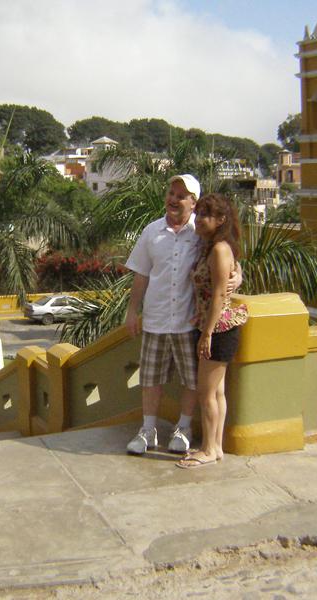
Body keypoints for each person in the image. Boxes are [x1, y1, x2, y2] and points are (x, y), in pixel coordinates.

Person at [124, 174, 241, 455]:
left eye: (181, 196)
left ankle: (184, 428)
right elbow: (141, 275)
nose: (173, 200)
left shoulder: (201, 233)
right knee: (151, 378)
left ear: (193, 202)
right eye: (171, 193)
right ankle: (148, 430)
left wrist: (238, 278)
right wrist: (131, 310)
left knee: (191, 381)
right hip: (156, 318)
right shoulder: (151, 232)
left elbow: (227, 262)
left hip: (189, 323)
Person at [177, 193, 248, 469]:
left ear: (221, 220)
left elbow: (219, 295)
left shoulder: (219, 249)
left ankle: (207, 449)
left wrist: (206, 333)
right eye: (199, 213)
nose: (199, 219)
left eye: (206, 214)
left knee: (206, 393)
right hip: (213, 325)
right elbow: (230, 275)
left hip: (217, 328)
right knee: (217, 392)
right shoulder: (213, 246)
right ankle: (215, 447)